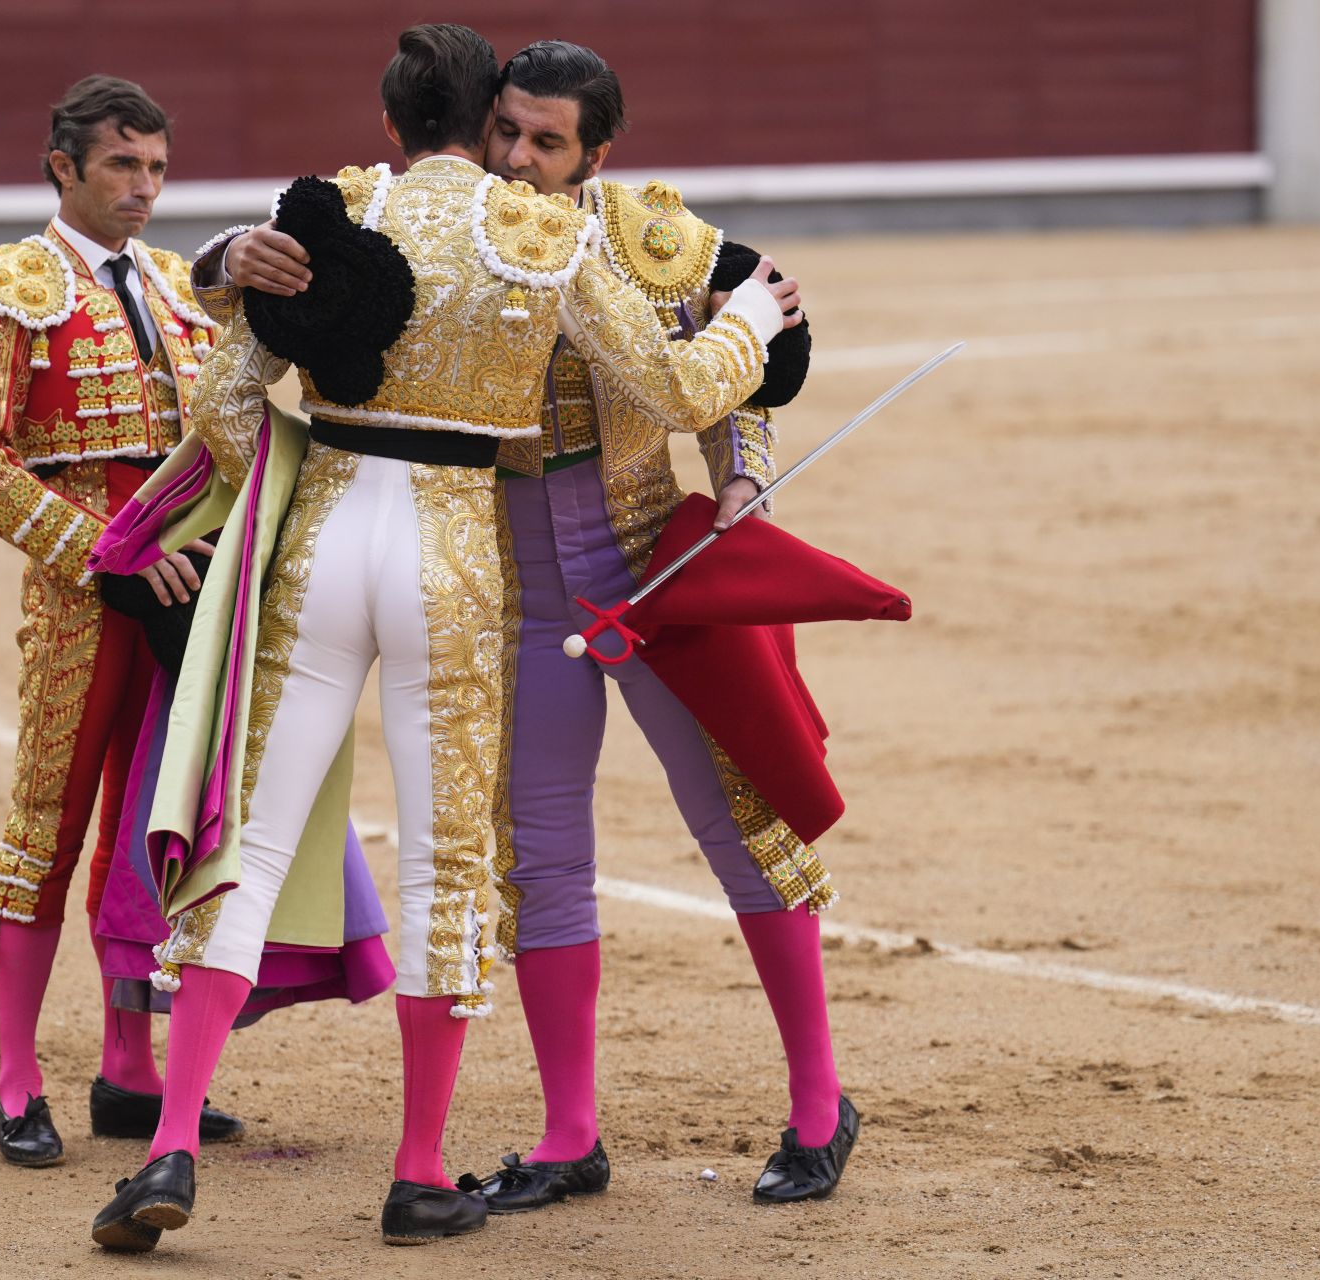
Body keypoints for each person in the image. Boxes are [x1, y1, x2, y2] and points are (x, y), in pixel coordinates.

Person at [88, 24, 794, 1253]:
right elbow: (674, 394)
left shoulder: (322, 214)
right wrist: (744, 318)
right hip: (454, 547)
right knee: (447, 852)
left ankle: (172, 1141)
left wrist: (282, 490)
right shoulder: (545, 233)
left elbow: (219, 401)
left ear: (390, 124)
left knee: (247, 840)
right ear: (485, 129)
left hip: (326, 537)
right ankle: (419, 1167)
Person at [0, 74, 241, 1168]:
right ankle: (19, 1079)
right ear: (63, 167)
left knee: (144, 831)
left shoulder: (178, 285)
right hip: (80, 600)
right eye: (123, 165)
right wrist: (97, 551)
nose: (145, 189)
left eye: (157, 167)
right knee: (49, 822)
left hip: (181, 591)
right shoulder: (8, 286)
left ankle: (128, 1069)